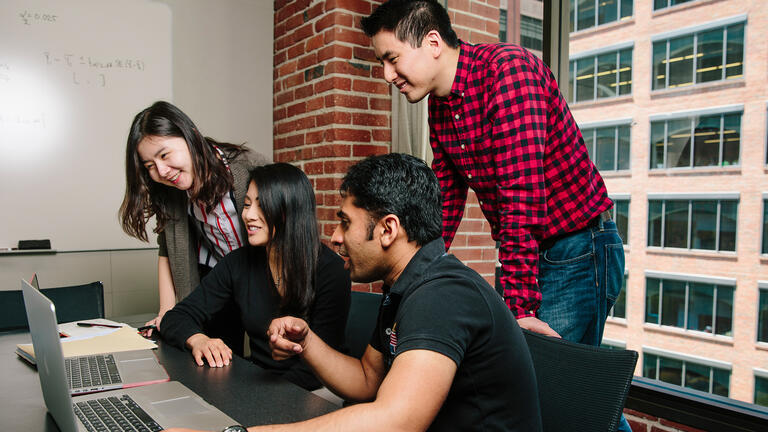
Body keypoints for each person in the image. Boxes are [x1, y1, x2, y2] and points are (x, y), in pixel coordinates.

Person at [165, 153, 542, 432]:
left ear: (387, 229)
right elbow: (367, 380)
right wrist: (307, 341)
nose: (335, 237)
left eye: (345, 222)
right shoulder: (405, 287)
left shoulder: (441, 294)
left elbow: (397, 419)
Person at [361, 0, 625, 345]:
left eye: (392, 59)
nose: (387, 74)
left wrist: (519, 306)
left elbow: (521, 195)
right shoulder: (441, 105)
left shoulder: (509, 73)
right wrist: (412, 268)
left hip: (576, 249)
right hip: (530, 250)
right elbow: (445, 198)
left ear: (433, 43)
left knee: (550, 385)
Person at [160, 163, 351, 391]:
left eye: (261, 206)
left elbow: (315, 371)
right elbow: (176, 317)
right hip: (262, 383)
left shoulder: (331, 271)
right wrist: (198, 339)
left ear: (289, 210)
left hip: (317, 390)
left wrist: (253, 398)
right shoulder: (238, 263)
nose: (248, 215)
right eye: (247, 204)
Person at [120, 101, 268, 353]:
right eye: (149, 166)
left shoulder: (249, 167)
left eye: (165, 155)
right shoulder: (170, 193)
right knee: (215, 358)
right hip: (219, 279)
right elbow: (166, 249)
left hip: (265, 276)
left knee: (269, 356)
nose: (162, 171)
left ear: (190, 136)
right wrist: (166, 313)